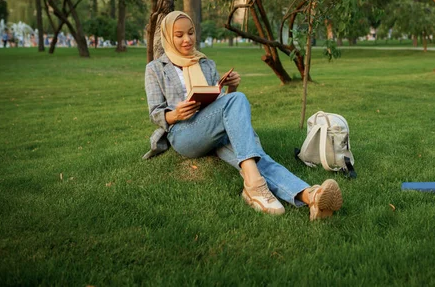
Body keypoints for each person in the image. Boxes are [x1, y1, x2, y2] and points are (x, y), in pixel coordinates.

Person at [144, 11, 343, 220]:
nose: (187, 39)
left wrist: (231, 87)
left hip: (213, 130)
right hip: (184, 134)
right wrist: (174, 114)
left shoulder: (205, 64)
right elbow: (155, 112)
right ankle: (254, 185)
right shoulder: (156, 69)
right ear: (168, 36)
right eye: (179, 35)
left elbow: (218, 103)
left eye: (191, 33)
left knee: (255, 158)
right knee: (238, 101)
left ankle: (309, 196)